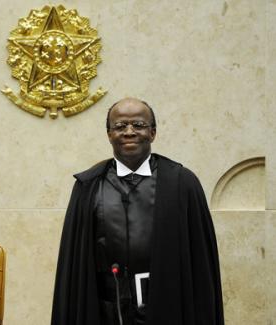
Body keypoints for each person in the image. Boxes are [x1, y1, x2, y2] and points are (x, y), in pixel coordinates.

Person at [51, 98, 224, 325]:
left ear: (152, 133)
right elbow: (74, 264)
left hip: (168, 305)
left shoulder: (182, 183)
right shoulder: (88, 186)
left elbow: (201, 263)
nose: (129, 132)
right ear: (109, 134)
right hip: (107, 310)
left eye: (139, 125)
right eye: (120, 126)